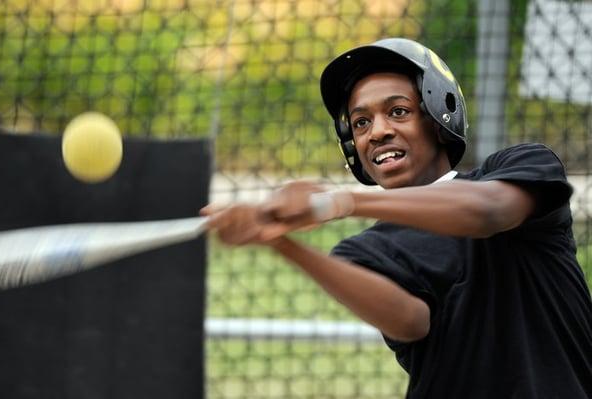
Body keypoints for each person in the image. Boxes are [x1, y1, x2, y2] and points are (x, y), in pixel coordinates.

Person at [202, 38, 592, 398]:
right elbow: (410, 322)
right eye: (361, 123)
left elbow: (487, 212)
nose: (378, 132)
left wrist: (338, 202)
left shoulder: (521, 167)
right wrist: (279, 241)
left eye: (398, 111)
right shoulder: (367, 251)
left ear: (439, 117)